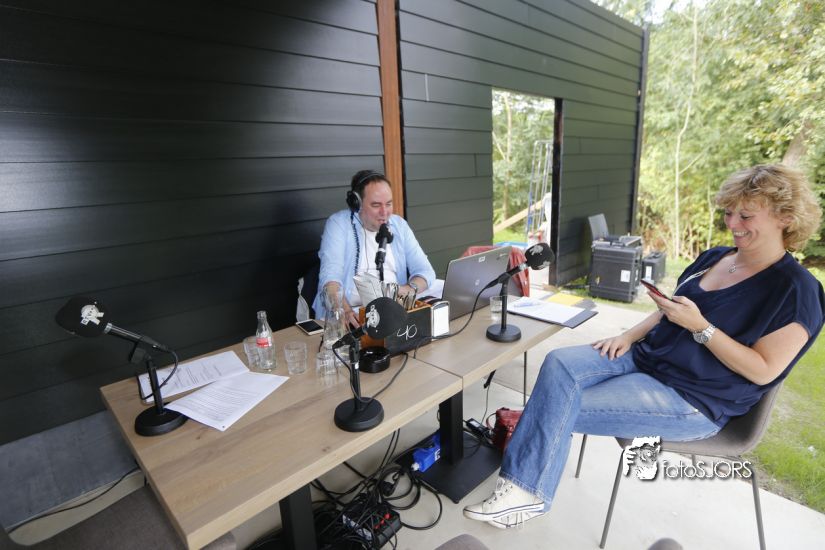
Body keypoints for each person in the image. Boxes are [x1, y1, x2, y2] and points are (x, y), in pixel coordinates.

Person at [464, 163, 825, 529]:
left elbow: (763, 370)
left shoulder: (797, 291)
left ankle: (525, 493)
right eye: (729, 213)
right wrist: (627, 336)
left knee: (554, 404)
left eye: (745, 216)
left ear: (786, 217)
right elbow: (671, 310)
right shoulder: (716, 257)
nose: (733, 223)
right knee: (559, 364)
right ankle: (525, 483)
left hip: (692, 398)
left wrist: (702, 328)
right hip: (645, 357)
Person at [313, 170, 436, 326]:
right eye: (376, 205)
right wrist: (343, 311)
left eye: (389, 204)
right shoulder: (338, 224)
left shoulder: (399, 225)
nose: (384, 213)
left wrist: (408, 290)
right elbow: (330, 280)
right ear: (356, 203)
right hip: (352, 316)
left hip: (392, 314)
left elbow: (425, 272)